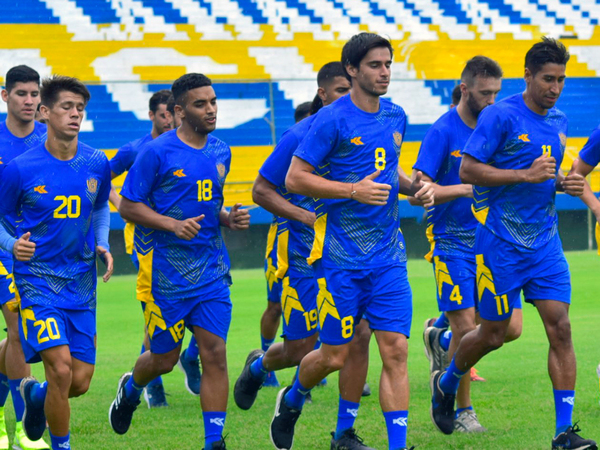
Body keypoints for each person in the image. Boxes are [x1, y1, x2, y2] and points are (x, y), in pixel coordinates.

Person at [430, 37, 597, 450]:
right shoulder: (500, 116)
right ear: (527, 75)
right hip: (498, 243)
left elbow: (547, 174)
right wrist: (524, 175)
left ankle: (563, 431)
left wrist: (565, 182)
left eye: (560, 79)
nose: (554, 88)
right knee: (493, 333)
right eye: (547, 79)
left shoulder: (559, 120)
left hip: (544, 243)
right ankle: (447, 381)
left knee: (561, 328)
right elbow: (468, 169)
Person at [270, 33, 434, 450]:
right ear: (352, 69)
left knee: (395, 350)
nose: (384, 72)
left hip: (388, 257)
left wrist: (415, 188)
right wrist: (351, 191)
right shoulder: (330, 118)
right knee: (334, 355)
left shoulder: (395, 115)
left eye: (388, 64)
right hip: (339, 259)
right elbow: (294, 179)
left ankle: (395, 445)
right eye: (376, 65)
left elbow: (386, 170)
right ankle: (291, 399)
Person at [108, 73, 250, 450]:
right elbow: (129, 206)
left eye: (214, 101)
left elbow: (207, 204)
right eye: (201, 104)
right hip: (163, 274)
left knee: (215, 355)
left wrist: (226, 219)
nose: (211, 109)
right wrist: (171, 225)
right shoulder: (155, 152)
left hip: (211, 271)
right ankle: (131, 387)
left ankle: (213, 442)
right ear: (178, 111)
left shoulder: (222, 151)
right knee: (164, 359)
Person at [412, 56, 525, 432]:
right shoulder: (443, 130)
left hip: (493, 240)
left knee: (509, 329)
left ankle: (439, 337)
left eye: (497, 92)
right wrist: (465, 187)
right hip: (451, 241)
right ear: (465, 89)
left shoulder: (500, 126)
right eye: (484, 93)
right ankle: (462, 411)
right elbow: (418, 190)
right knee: (467, 329)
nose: (492, 100)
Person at [0, 75, 113, 450]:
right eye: (67, 107)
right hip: (36, 282)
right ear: (46, 113)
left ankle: (36, 396)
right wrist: (12, 244)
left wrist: (101, 243)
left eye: (80, 108)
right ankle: (61, 445)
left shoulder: (97, 162)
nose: (75, 114)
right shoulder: (19, 168)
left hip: (81, 283)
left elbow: (99, 209)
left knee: (78, 381)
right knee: (60, 367)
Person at [110, 89, 201, 407]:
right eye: (164, 114)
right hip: (145, 241)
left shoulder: (186, 147)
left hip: (184, 239)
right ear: (152, 116)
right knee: (158, 310)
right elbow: (101, 177)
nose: (170, 120)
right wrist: (121, 204)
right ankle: (153, 385)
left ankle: (190, 355)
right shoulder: (136, 149)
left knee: (199, 305)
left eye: (173, 114)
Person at [0, 65, 49, 450]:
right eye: (22, 94)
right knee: (17, 331)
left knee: (19, 337)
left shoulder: (50, 139)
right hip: (3, 248)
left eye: (35, 94)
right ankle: (21, 430)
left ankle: (10, 422)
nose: (30, 101)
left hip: (39, 255)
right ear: (5, 97)